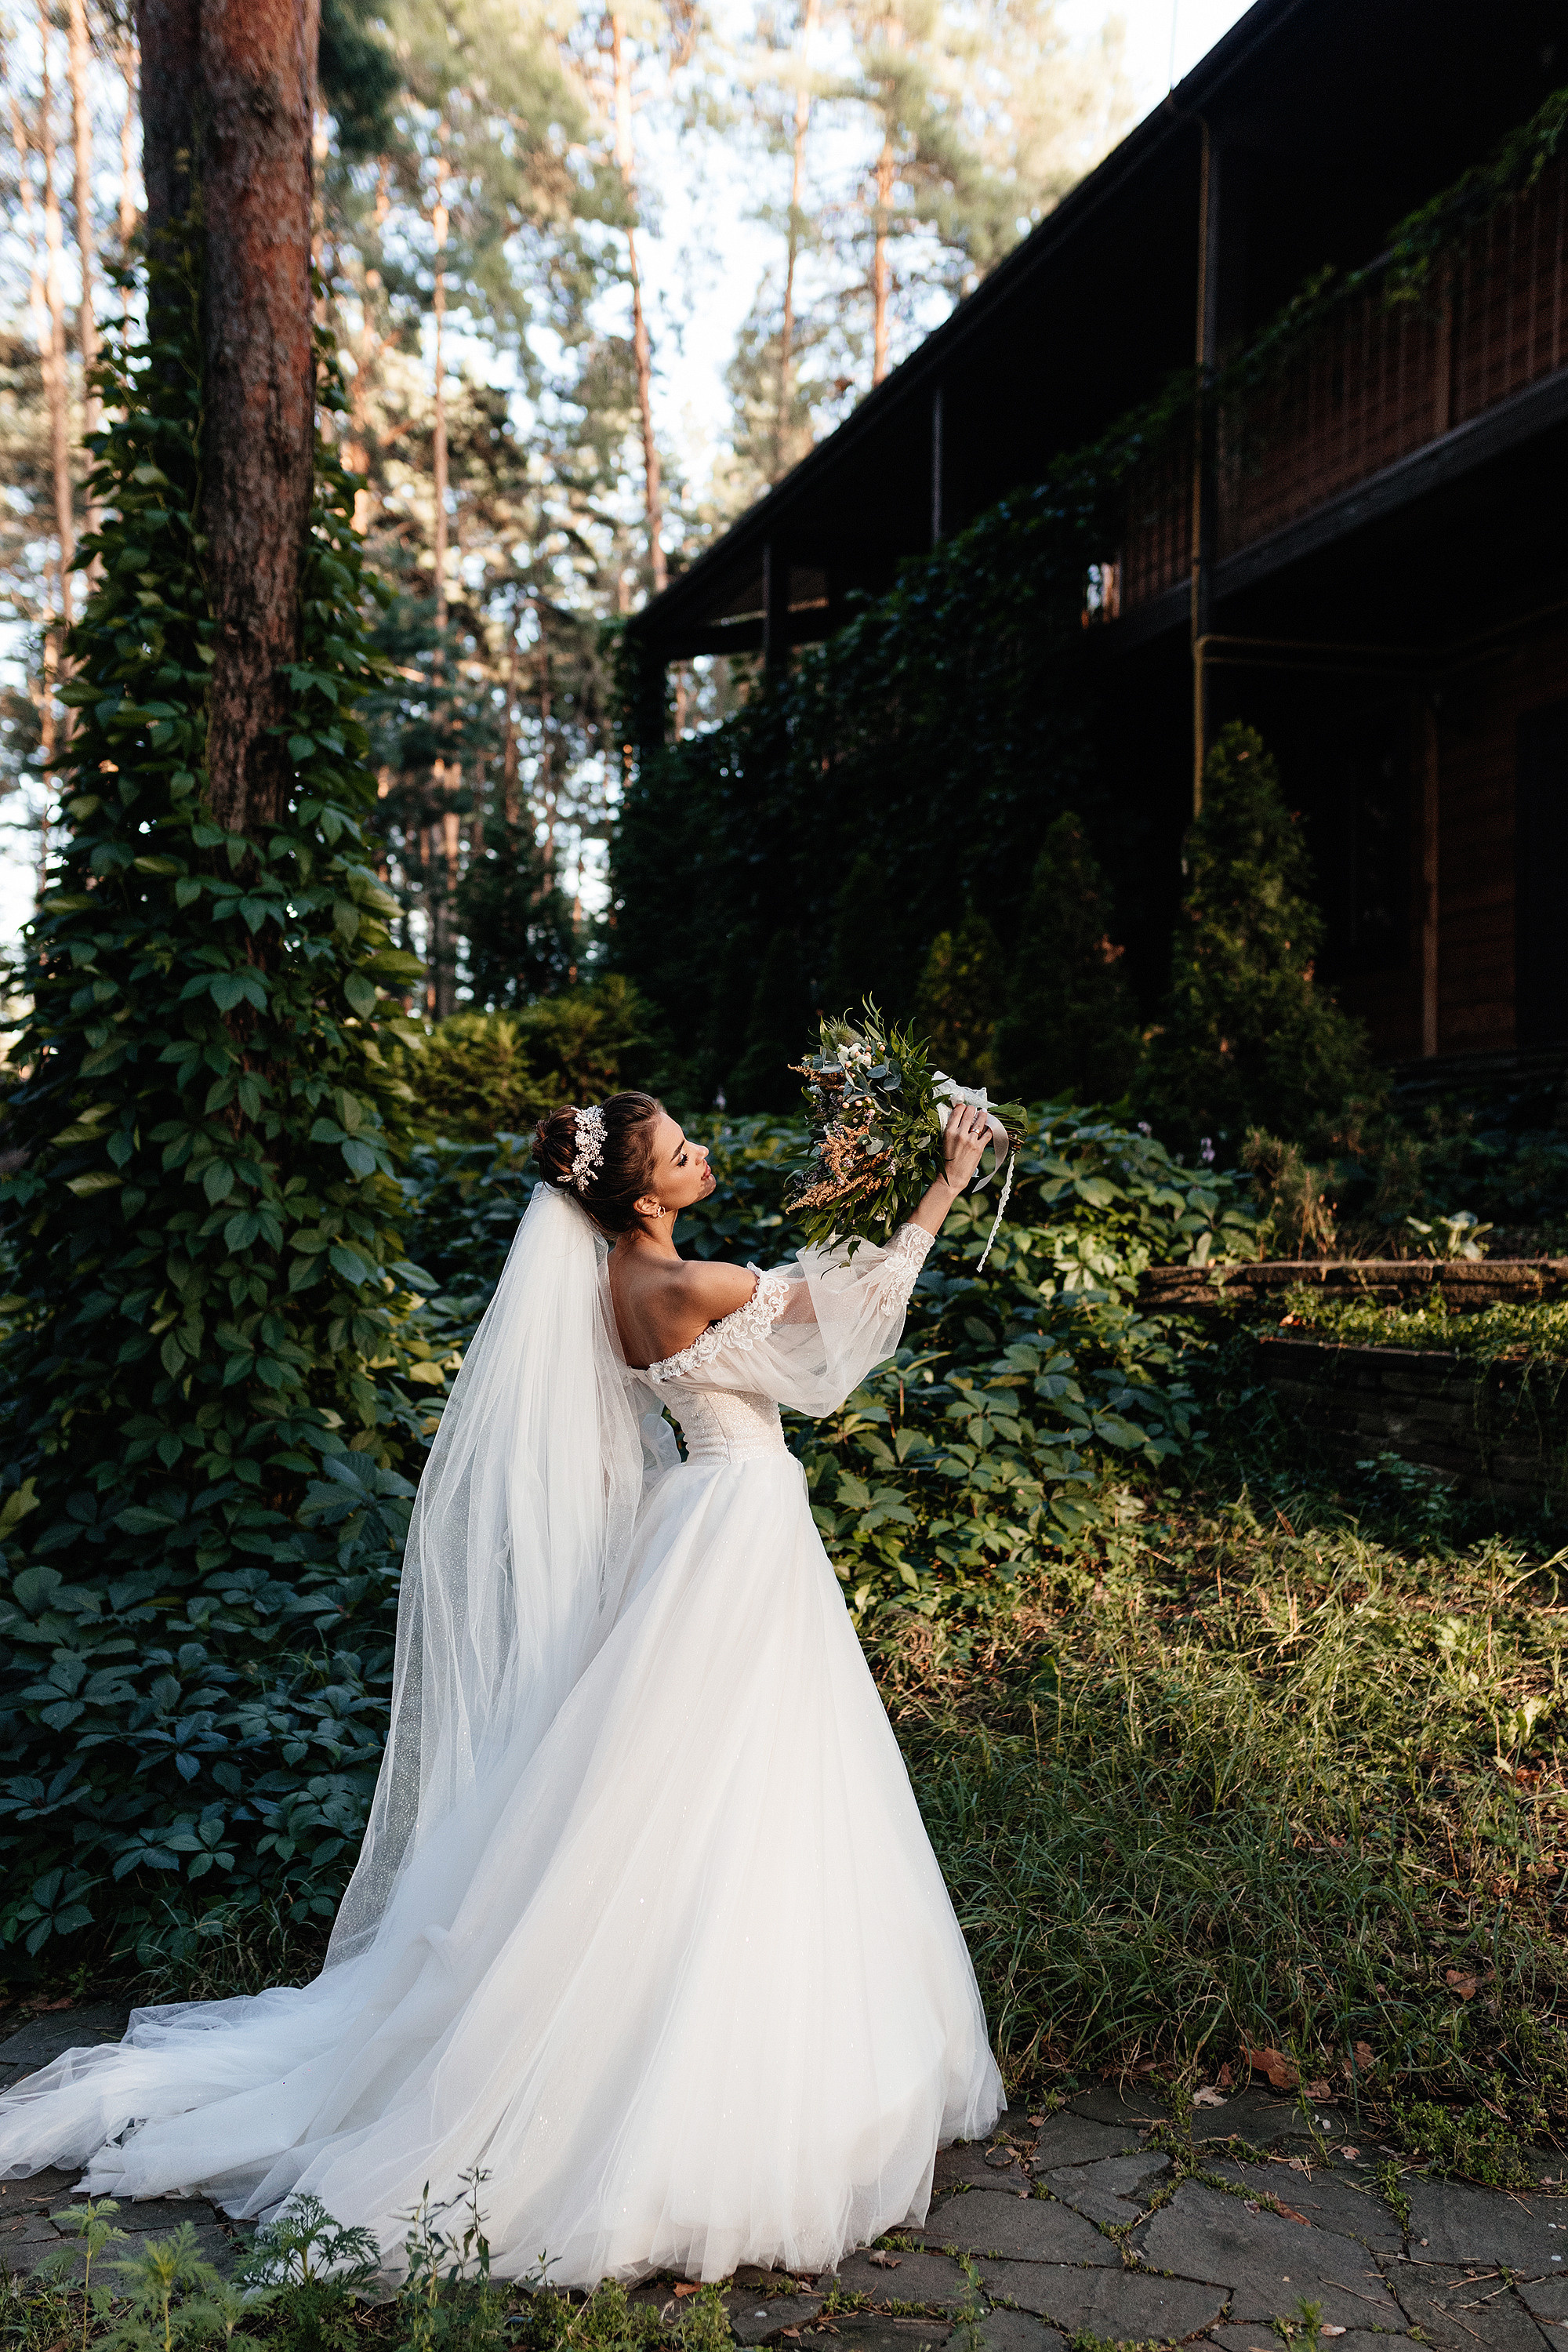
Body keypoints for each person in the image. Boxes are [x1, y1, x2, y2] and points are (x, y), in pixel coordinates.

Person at [0, 1091, 1005, 2285]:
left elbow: (795, 1303)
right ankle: (716, 2076)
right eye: (683, 1151)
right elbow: (851, 1321)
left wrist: (859, 1190)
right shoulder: (688, 1287)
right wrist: (938, 1182)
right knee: (747, 1784)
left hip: (705, 1527)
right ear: (641, 1196)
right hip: (737, 1528)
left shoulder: (611, 1288)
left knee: (706, 1786)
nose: (703, 1154)